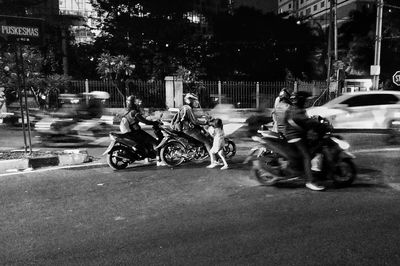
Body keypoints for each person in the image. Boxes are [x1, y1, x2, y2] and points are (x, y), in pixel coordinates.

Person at [284, 91, 325, 191]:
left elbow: (305, 120)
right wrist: (320, 125)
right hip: (295, 136)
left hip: (295, 134)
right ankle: (310, 181)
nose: (306, 102)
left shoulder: (293, 108)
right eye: (305, 100)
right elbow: (307, 122)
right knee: (307, 156)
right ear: (301, 100)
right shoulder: (297, 111)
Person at [120, 95, 163, 165]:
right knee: (155, 142)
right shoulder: (133, 112)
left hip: (130, 133)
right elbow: (144, 121)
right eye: (138, 102)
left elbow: (144, 117)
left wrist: (152, 118)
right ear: (134, 103)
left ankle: (147, 159)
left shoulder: (127, 111)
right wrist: (154, 122)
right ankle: (159, 161)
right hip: (136, 133)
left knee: (145, 143)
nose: (140, 103)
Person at [179, 93, 216, 168]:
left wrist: (203, 116)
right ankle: (214, 161)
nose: (196, 102)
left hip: (186, 128)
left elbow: (192, 117)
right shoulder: (188, 108)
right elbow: (194, 121)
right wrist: (206, 122)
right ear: (190, 101)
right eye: (194, 100)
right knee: (206, 141)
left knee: (202, 133)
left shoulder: (185, 107)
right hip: (189, 129)